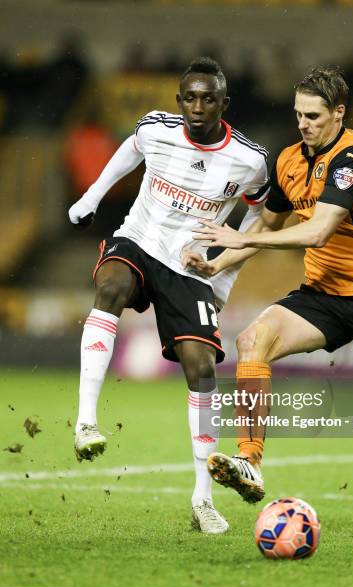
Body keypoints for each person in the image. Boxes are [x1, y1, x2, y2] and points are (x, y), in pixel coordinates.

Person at [188, 66, 353, 504]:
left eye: (312, 116)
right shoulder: (289, 160)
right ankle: (249, 462)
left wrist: (243, 236)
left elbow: (318, 232)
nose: (303, 124)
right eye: (298, 115)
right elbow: (269, 222)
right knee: (253, 340)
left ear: (338, 113)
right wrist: (217, 264)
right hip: (323, 295)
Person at [68, 57, 270, 533]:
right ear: (179, 101)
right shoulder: (157, 128)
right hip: (139, 238)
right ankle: (85, 422)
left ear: (224, 103)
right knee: (111, 286)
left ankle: (203, 500)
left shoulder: (250, 159)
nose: (198, 106)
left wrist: (223, 273)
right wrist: (93, 197)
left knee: (201, 367)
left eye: (208, 98)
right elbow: (130, 150)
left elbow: (260, 216)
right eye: (190, 98)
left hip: (190, 267)